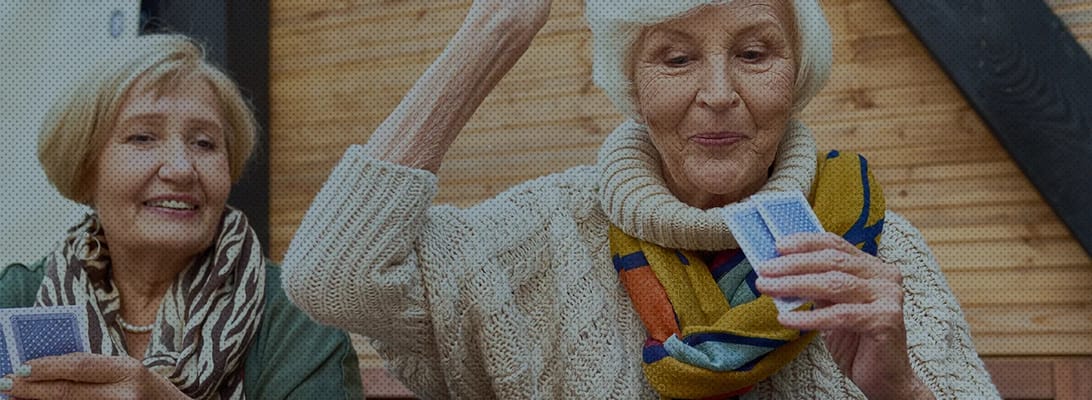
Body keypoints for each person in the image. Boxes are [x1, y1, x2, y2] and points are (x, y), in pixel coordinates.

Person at [280, 0, 998, 398]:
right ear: (632, 82)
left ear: (798, 73)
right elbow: (333, 276)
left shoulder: (880, 254)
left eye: (754, 53)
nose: (717, 93)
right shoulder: (546, 231)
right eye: (676, 58)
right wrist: (494, 32)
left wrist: (901, 389)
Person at [0, 34, 363, 399]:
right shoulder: (19, 296)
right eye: (143, 138)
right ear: (85, 166)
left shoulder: (296, 314)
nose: (181, 169)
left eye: (204, 143)